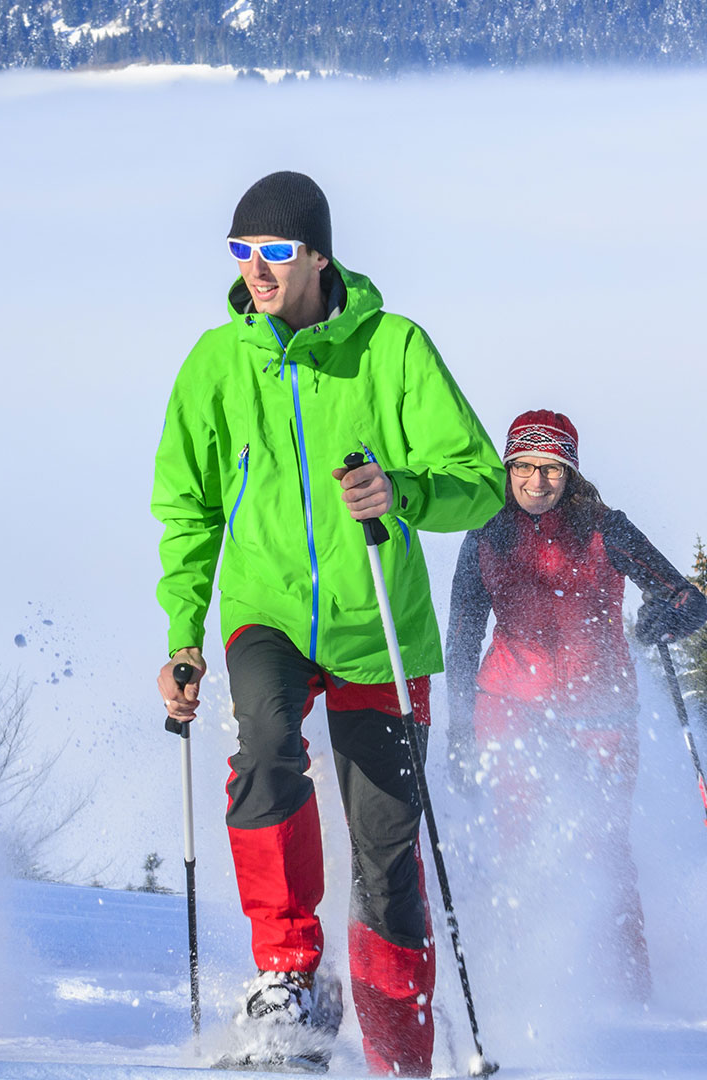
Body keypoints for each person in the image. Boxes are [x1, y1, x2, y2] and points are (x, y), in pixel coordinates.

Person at [151, 171, 504, 1074]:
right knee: (265, 749)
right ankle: (287, 974)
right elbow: (187, 508)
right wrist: (184, 634)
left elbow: (480, 481)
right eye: (241, 252)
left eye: (274, 252)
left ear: (318, 256)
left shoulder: (393, 350)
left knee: (386, 852)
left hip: (379, 625)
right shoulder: (217, 362)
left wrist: (402, 489)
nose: (256, 270)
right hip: (265, 612)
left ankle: (397, 1046)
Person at [443, 410, 706, 1004]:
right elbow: (461, 638)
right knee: (519, 842)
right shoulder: (484, 533)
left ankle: (629, 995)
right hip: (508, 705)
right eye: (526, 467)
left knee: (605, 847)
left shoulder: (606, 529)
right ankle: (527, 990)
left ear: (571, 472)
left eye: (552, 468)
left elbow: (689, 599)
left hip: (601, 711)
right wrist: (460, 733)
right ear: (507, 468)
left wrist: (669, 614)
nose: (538, 481)